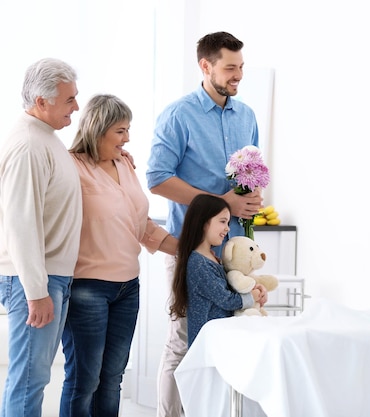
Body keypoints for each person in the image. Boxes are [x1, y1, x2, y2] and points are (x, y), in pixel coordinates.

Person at [146, 31, 263, 417]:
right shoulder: (179, 114)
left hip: (233, 247)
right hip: (190, 249)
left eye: (241, 67)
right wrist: (218, 202)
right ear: (206, 66)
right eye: (230, 67)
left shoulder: (246, 116)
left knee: (230, 336)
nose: (238, 75)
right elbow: (158, 178)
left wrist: (250, 199)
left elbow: (252, 173)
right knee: (183, 339)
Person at [60, 94, 178, 416]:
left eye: (128, 130)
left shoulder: (124, 163)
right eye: (120, 131)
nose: (127, 138)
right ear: (98, 130)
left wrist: (188, 248)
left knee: (112, 379)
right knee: (84, 379)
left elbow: (140, 224)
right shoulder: (70, 166)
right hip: (87, 287)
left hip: (128, 286)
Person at [0, 58, 82, 417]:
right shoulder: (29, 145)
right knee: (29, 380)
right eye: (69, 100)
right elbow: (20, 223)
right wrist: (37, 291)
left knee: (35, 378)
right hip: (34, 280)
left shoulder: (45, 138)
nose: (76, 107)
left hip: (49, 277)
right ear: (41, 101)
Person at [169, 194, 266, 347]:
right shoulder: (199, 263)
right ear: (203, 222)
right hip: (208, 344)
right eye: (222, 222)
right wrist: (251, 297)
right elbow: (226, 300)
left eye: (227, 222)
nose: (227, 228)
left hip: (218, 338)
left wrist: (253, 290)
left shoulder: (211, 258)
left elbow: (228, 288)